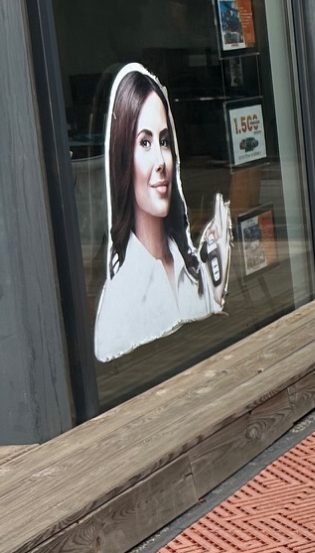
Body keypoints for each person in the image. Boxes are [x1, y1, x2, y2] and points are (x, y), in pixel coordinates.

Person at [92, 64, 229, 362]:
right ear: (123, 160)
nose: (160, 161)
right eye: (144, 142)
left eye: (164, 141)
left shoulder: (188, 265)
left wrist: (215, 290)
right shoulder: (118, 304)